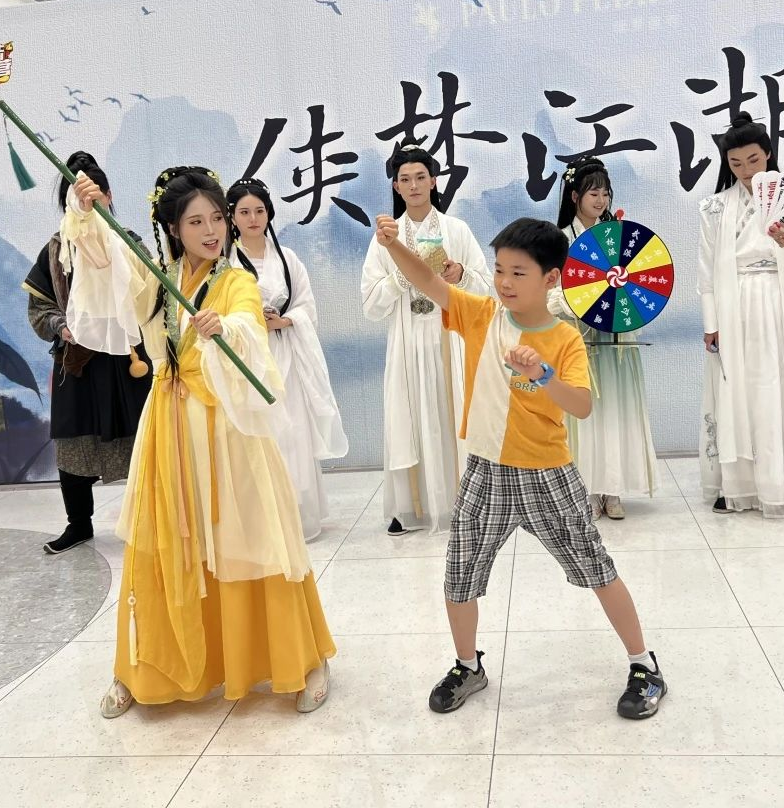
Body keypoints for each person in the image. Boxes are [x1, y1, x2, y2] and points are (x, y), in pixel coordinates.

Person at [62, 165, 335, 718]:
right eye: (196, 221)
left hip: (228, 431)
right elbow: (109, 270)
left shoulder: (236, 281)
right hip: (168, 426)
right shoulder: (157, 279)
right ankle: (141, 667)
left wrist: (226, 330)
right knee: (163, 543)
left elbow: (249, 330)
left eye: (217, 218)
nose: (212, 231)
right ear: (173, 228)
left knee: (252, 537)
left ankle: (301, 657)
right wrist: (88, 217)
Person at [374, 212, 667, 721]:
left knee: (596, 568)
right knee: (459, 574)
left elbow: (581, 406)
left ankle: (644, 665)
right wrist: (394, 246)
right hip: (484, 471)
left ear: (551, 278)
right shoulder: (480, 314)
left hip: (547, 473)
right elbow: (427, 281)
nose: (504, 282)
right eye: (499, 270)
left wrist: (543, 373)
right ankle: (468, 666)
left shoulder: (565, 338)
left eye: (518, 272)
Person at [697, 113, 784, 517]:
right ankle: (739, 484)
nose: (746, 171)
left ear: (769, 154)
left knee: (782, 384)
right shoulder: (714, 207)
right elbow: (706, 272)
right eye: (736, 163)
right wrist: (711, 324)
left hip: (779, 301)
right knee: (738, 389)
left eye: (754, 160)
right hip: (734, 304)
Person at [22, 152, 151, 555]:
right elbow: (39, 308)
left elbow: (152, 297)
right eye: (77, 198)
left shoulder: (130, 243)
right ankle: (78, 524)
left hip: (130, 359)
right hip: (77, 362)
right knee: (73, 443)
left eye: (95, 196)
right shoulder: (57, 249)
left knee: (145, 440)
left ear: (108, 196)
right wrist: (61, 326)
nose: (87, 204)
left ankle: (152, 520)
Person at [360, 144, 492, 536]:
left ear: (434, 182)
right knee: (410, 417)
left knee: (453, 416)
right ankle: (410, 506)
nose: (414, 185)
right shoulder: (386, 239)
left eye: (421, 177)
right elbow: (371, 304)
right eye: (405, 179)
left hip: (450, 339)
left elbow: (486, 288)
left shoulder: (457, 230)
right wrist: (404, 275)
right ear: (396, 187)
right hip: (407, 342)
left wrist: (460, 274)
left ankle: (464, 502)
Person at [227, 176, 349, 541]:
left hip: (286, 352)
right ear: (232, 217)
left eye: (259, 211)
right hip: (249, 357)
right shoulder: (225, 263)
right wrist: (250, 322)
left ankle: (297, 515)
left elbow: (307, 305)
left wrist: (285, 320)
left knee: (292, 430)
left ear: (269, 213)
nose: (253, 219)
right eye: (244, 212)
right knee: (258, 431)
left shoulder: (287, 258)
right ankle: (261, 520)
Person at [548, 157, 659, 520]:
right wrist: (578, 300)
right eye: (593, 193)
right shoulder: (560, 240)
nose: (600, 200)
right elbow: (549, 293)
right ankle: (586, 490)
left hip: (614, 342)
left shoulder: (619, 237)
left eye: (605, 193)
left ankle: (613, 489)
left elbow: (639, 283)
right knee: (584, 417)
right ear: (574, 196)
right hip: (578, 340)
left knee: (615, 412)